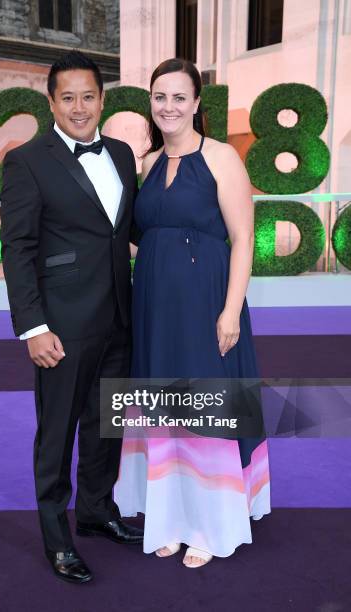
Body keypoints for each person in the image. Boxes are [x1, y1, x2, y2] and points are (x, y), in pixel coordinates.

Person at [114, 58, 271, 567]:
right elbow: (143, 238)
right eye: (160, 97)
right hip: (155, 306)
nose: (169, 107)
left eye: (179, 97)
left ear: (198, 104)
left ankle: (209, 522)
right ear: (151, 103)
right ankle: (171, 518)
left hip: (207, 304)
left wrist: (230, 311)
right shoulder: (147, 163)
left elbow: (244, 237)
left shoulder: (221, 156)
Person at [0, 50, 143, 585]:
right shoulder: (27, 161)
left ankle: (97, 511)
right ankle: (57, 541)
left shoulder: (125, 155)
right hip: (60, 326)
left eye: (89, 96)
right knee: (56, 434)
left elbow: (126, 231)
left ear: (102, 99)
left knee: (107, 426)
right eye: (68, 98)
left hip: (118, 320)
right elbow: (17, 249)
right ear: (51, 102)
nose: (79, 108)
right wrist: (33, 327)